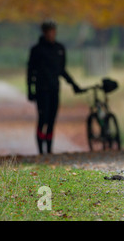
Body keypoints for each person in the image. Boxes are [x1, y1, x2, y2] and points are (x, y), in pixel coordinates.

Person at [27, 21, 84, 154]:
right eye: (48, 31)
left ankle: (49, 149)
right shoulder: (36, 50)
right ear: (44, 32)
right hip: (41, 90)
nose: (50, 34)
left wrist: (74, 85)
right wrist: (30, 90)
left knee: (52, 119)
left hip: (54, 88)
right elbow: (30, 71)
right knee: (43, 119)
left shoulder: (60, 48)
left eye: (52, 31)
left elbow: (62, 70)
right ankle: (41, 150)